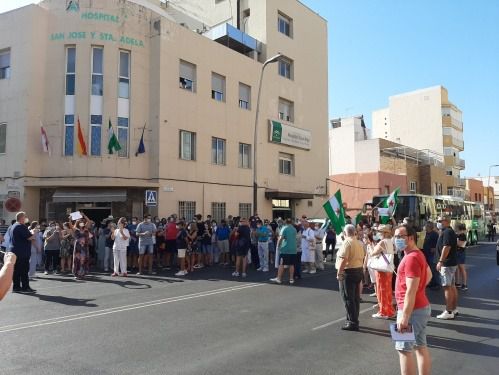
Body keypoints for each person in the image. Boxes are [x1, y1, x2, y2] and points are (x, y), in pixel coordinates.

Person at [394, 224, 432, 375]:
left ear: (410, 238)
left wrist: (405, 316)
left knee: (403, 350)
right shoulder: (417, 254)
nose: (396, 239)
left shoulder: (411, 258)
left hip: (411, 310)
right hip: (419, 308)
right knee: (420, 347)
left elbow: (411, 290)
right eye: (395, 236)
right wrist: (420, 287)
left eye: (400, 237)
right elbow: (428, 275)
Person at [336, 224, 365, 331]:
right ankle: (353, 319)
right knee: (355, 298)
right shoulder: (358, 242)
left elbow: (344, 259)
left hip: (349, 272)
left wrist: (339, 273)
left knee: (348, 298)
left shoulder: (347, 242)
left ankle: (352, 322)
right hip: (358, 270)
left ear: (345, 232)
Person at [370, 224, 396, 319]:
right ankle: (390, 310)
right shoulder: (390, 241)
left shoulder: (382, 242)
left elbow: (373, 253)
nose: (377, 233)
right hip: (388, 268)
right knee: (387, 290)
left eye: (379, 231)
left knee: (381, 290)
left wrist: (373, 246)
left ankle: (384, 312)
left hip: (381, 269)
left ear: (384, 233)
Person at [436, 215, 459, 320]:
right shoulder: (448, 231)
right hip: (451, 262)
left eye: (440, 221)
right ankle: (453, 309)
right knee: (452, 286)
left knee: (447, 287)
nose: (438, 222)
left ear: (446, 221)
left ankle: (449, 311)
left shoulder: (447, 232)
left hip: (447, 263)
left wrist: (441, 261)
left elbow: (446, 247)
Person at [10, 212, 35, 293]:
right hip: (22, 252)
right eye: (25, 217)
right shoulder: (21, 226)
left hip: (16, 251)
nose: (26, 218)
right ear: (21, 218)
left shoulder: (13, 226)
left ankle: (16, 287)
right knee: (24, 270)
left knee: (17, 270)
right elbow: (30, 237)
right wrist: (33, 232)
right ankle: (25, 287)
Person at [270, 218, 297, 284]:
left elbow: (280, 238)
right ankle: (291, 279)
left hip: (285, 249)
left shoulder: (284, 228)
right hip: (293, 249)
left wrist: (278, 246)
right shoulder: (294, 229)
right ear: (291, 222)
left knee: (281, 264)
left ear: (285, 222)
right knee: (291, 264)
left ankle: (279, 278)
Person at [422, 222, 440, 289]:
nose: (425, 227)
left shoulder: (435, 234)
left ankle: (436, 284)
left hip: (432, 254)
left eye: (426, 226)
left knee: (434, 269)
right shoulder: (425, 233)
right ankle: (431, 282)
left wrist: (435, 248)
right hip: (426, 253)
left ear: (429, 226)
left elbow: (438, 244)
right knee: (429, 269)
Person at [454, 222, 468, 291]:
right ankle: (457, 283)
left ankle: (464, 284)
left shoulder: (462, 235)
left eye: (456, 228)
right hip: (457, 252)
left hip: (461, 253)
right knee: (456, 269)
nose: (455, 229)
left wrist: (453, 242)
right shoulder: (458, 235)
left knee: (462, 268)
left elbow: (460, 244)